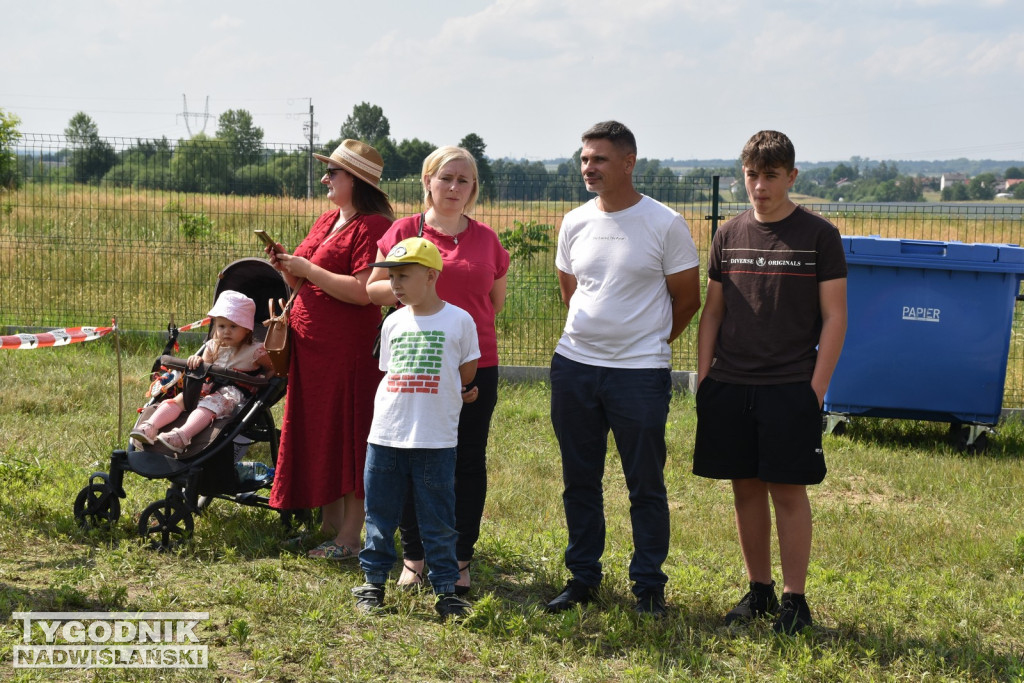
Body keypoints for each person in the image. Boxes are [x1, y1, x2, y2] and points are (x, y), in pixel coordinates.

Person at [692, 130, 848, 634]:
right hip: (731, 383)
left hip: (790, 386)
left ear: (791, 177)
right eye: (752, 175)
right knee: (744, 489)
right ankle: (758, 589)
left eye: (771, 176)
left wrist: (815, 390)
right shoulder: (729, 234)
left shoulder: (819, 235)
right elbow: (712, 313)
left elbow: (835, 317)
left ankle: (794, 601)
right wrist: (705, 376)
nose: (759, 186)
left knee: (787, 491)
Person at [545, 121, 702, 617]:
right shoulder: (574, 221)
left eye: (600, 159)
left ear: (629, 162)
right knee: (579, 480)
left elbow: (687, 299)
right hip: (574, 368)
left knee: (645, 484)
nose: (589, 168)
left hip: (639, 374)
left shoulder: (665, 223)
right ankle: (582, 578)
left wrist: (645, 342)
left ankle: (649, 586)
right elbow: (571, 290)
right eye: (584, 159)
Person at [366, 145, 509, 593]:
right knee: (410, 458)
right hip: (415, 363)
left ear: (473, 189)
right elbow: (373, 287)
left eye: (463, 180)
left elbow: (494, 303)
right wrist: (413, 298)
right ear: (427, 181)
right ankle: (415, 557)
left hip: (473, 365)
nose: (453, 188)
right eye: (445, 178)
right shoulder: (405, 232)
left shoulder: (487, 239)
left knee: (466, 460)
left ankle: (460, 558)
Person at [265, 139, 395, 560]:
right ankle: (328, 527)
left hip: (347, 352)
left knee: (350, 435)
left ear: (355, 180)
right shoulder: (327, 220)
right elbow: (302, 281)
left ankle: (350, 537)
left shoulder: (372, 226)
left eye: (332, 172)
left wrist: (306, 269)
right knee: (321, 433)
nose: (325, 178)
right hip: (313, 350)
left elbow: (363, 292)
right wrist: (286, 266)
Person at [352, 237, 480, 621]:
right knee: (379, 515)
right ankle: (373, 583)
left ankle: (446, 591)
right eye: (392, 278)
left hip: (435, 440)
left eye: (404, 276)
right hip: (386, 436)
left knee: (439, 519)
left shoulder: (459, 320)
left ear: (430, 275)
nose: (395, 285)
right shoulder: (392, 321)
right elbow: (391, 372)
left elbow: (466, 373)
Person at [130, 290, 275, 455]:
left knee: (208, 406)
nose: (226, 331)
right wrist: (196, 361)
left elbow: (272, 369)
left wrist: (261, 383)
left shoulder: (256, 351)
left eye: (233, 326)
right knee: (180, 399)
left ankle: (182, 436)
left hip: (231, 394)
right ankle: (150, 427)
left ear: (247, 329)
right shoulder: (213, 346)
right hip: (208, 385)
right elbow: (204, 366)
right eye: (221, 326)